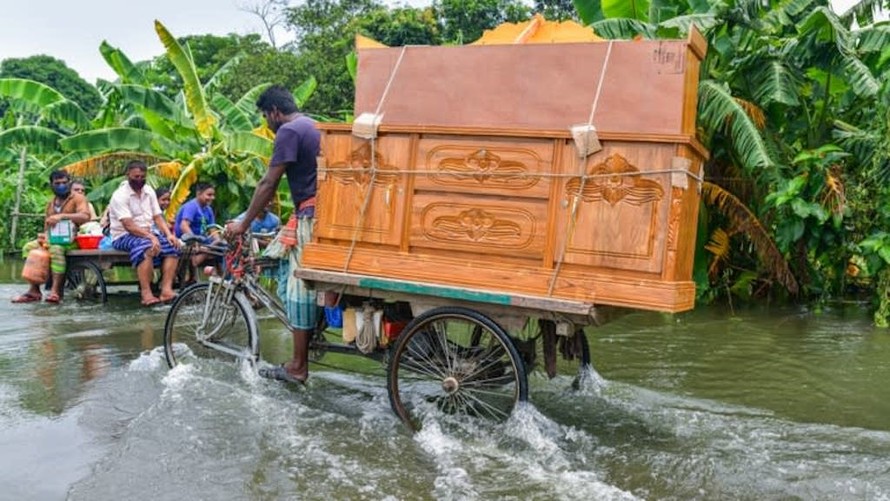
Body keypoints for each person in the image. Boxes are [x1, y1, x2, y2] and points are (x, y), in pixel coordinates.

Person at [226, 85, 319, 384]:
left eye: (266, 116)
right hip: (317, 214)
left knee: (298, 288)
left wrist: (243, 224)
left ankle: (298, 366)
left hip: (310, 216)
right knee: (278, 261)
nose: (267, 122)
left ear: (275, 112)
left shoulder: (289, 131)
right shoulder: (313, 124)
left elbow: (268, 183)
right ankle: (308, 341)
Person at [108, 160, 180, 306]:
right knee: (146, 247)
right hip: (123, 235)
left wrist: (169, 235)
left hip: (148, 231)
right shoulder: (119, 195)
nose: (139, 180)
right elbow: (128, 225)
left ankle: (166, 290)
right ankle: (146, 293)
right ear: (127, 175)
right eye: (136, 177)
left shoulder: (149, 191)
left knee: (173, 246)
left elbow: (158, 216)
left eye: (142, 177)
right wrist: (151, 237)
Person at [12, 170, 91, 304]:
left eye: (64, 183)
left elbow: (85, 216)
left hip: (72, 239)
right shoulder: (51, 203)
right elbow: (47, 225)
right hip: (53, 238)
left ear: (69, 182)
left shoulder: (78, 198)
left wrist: (62, 216)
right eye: (58, 183)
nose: (61, 186)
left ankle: (55, 291)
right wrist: (43, 237)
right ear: (52, 185)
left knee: (56, 249)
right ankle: (34, 289)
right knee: (29, 247)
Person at [174, 182, 219, 280]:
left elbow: (212, 228)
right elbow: (184, 226)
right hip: (186, 240)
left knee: (223, 247)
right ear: (199, 194)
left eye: (213, 195)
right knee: (213, 247)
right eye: (209, 195)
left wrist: (218, 240)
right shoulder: (192, 206)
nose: (212, 198)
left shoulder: (208, 209)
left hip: (203, 241)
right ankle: (196, 261)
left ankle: (223, 279)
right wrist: (196, 242)